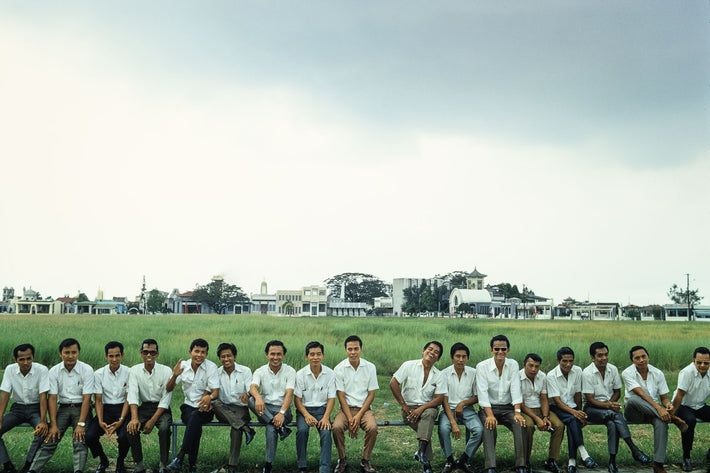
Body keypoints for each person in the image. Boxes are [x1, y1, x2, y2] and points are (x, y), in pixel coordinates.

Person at [582, 342, 651, 473]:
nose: (604, 358)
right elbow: (590, 399)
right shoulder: (587, 373)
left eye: (606, 354)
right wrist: (608, 406)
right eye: (599, 355)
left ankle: (612, 462)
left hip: (608, 409)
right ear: (592, 357)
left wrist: (610, 404)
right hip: (591, 409)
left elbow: (617, 392)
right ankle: (634, 450)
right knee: (615, 415)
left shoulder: (612, 369)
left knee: (613, 424)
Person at [29, 338, 94, 473]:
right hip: (63, 408)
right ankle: (33, 470)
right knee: (50, 439)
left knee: (80, 440)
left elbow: (87, 398)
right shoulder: (54, 371)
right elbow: (52, 398)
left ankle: (78, 471)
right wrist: (53, 424)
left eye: (74, 352)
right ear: (61, 353)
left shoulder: (87, 369)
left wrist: (81, 424)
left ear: (78, 353)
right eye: (67, 352)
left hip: (81, 408)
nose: (70, 356)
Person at [622, 345, 687, 473]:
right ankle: (673, 419)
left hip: (654, 413)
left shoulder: (658, 373)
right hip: (634, 412)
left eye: (643, 356)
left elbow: (664, 398)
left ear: (648, 356)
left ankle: (658, 464)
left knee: (662, 423)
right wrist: (659, 408)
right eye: (637, 358)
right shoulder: (627, 373)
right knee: (633, 399)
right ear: (632, 361)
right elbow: (641, 394)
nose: (641, 360)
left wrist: (667, 405)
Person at [390, 341, 445, 473]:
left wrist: (421, 409)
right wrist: (403, 405)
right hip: (409, 410)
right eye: (430, 349)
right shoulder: (408, 365)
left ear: (438, 358)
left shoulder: (439, 374)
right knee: (426, 429)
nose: (432, 353)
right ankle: (422, 455)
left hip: (426, 408)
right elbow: (393, 383)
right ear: (423, 351)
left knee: (430, 414)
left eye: (436, 352)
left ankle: (424, 459)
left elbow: (439, 398)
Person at [475, 334, 526, 473]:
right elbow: (482, 393)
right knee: (489, 425)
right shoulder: (482, 367)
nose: (500, 352)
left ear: (508, 350)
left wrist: (517, 413)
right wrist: (490, 415)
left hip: (507, 408)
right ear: (491, 350)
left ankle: (521, 465)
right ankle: (490, 466)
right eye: (497, 349)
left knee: (520, 423)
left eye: (503, 349)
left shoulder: (513, 364)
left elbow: (516, 389)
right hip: (488, 408)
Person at [166, 338, 219, 473]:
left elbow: (215, 392)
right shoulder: (183, 366)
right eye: (196, 351)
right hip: (188, 407)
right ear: (190, 352)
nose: (199, 355)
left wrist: (209, 398)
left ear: (206, 354)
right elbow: (169, 388)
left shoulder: (211, 367)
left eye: (203, 352)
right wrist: (174, 376)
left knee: (196, 418)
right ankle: (192, 466)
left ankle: (180, 457)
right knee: (195, 423)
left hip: (206, 408)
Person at [332, 335, 379, 473]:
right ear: (346, 350)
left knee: (372, 428)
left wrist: (358, 417)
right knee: (336, 427)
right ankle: (342, 459)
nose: (353, 352)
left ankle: (365, 461)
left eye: (356, 349)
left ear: (361, 350)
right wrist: (351, 418)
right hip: (346, 408)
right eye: (350, 349)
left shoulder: (370, 367)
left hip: (364, 409)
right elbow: (340, 396)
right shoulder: (339, 368)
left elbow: (371, 395)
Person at [126, 339, 173, 473]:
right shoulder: (135, 370)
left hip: (162, 409)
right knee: (131, 428)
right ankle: (139, 464)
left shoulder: (166, 370)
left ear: (157, 354)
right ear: (141, 353)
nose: (149, 356)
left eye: (152, 353)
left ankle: (163, 464)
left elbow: (166, 398)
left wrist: (152, 421)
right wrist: (134, 418)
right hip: (144, 407)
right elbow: (133, 395)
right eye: (145, 352)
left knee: (164, 428)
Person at [547, 347, 597, 473]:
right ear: (558, 361)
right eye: (564, 361)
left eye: (571, 361)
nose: (568, 364)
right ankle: (583, 453)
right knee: (572, 418)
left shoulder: (578, 371)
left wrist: (580, 413)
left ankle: (572, 462)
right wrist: (575, 413)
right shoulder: (551, 375)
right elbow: (557, 401)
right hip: (557, 407)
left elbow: (578, 395)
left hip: (572, 407)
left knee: (572, 422)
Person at [0, 344, 49, 473]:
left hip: (36, 408)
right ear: (15, 359)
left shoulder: (42, 370)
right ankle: (7, 465)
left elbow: (43, 396)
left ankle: (28, 465)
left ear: (33, 357)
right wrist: (0, 416)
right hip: (17, 409)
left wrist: (43, 420)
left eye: (29, 358)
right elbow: (5, 393)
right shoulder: (10, 370)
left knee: (42, 432)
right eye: (21, 359)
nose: (26, 362)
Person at [249, 340, 296, 473]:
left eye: (279, 354)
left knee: (270, 428)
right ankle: (281, 429)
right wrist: (258, 397)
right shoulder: (260, 371)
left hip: (283, 410)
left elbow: (289, 394)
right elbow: (253, 387)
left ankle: (268, 465)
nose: (275, 357)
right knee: (251, 400)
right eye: (272, 354)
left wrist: (281, 413)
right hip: (265, 410)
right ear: (266, 355)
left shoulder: (290, 371)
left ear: (284, 355)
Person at [437, 342, 483, 473]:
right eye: (458, 356)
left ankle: (464, 460)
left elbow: (478, 396)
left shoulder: (474, 373)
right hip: (447, 410)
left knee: (480, 431)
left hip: (467, 409)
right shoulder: (444, 374)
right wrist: (453, 423)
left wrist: (462, 404)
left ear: (467, 358)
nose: (461, 360)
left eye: (464, 357)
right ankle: (450, 461)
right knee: (444, 429)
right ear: (452, 357)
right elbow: (444, 401)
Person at [85, 341, 130, 473]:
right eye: (111, 356)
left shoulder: (129, 372)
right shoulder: (99, 374)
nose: (114, 359)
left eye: (117, 355)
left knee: (125, 436)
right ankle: (103, 460)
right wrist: (100, 421)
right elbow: (98, 400)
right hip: (105, 409)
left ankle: (120, 462)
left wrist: (121, 420)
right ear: (106, 356)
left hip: (123, 408)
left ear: (122, 355)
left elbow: (129, 399)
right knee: (90, 436)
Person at [211, 343, 256, 473]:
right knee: (215, 403)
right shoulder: (216, 373)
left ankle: (232, 467)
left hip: (240, 409)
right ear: (219, 358)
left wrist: (247, 394)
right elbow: (212, 393)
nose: (226, 359)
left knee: (236, 428)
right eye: (222, 357)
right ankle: (246, 428)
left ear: (234, 356)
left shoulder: (245, 371)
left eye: (229, 356)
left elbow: (250, 389)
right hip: (223, 410)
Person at [294, 341, 336, 473]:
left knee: (326, 433)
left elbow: (331, 398)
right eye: (312, 354)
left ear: (323, 355)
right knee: (302, 431)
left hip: (322, 410)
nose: (315, 357)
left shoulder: (330, 373)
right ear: (306, 356)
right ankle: (302, 465)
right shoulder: (300, 374)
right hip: (304, 410)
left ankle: (324, 468)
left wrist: (326, 417)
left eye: (318, 354)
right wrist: (306, 415)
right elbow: (297, 400)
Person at [519, 353, 564, 473]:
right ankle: (525, 461)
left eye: (537, 366)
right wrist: (537, 420)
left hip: (541, 409)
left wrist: (544, 417)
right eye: (531, 365)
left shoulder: (542, 376)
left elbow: (544, 399)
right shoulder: (517, 377)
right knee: (528, 426)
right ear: (524, 365)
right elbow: (521, 404)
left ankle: (551, 460)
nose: (534, 369)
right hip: (525, 410)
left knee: (559, 426)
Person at [671, 346, 710, 472]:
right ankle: (686, 458)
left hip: (700, 405)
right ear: (694, 361)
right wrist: (673, 414)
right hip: (683, 405)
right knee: (690, 420)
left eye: (706, 363)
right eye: (699, 362)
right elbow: (679, 395)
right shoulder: (687, 372)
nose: (702, 365)